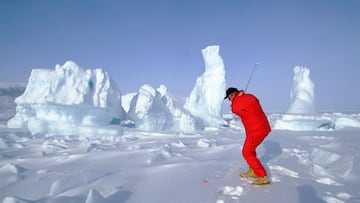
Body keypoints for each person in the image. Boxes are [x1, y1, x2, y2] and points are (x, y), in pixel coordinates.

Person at [224, 87, 271, 185]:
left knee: (246, 152)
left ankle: (262, 176)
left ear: (233, 94)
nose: (230, 100)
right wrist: (240, 97)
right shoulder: (249, 96)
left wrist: (237, 99)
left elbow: (234, 109)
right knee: (251, 150)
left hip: (257, 130)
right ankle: (253, 171)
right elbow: (253, 101)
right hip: (261, 128)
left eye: (229, 98)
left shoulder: (239, 101)